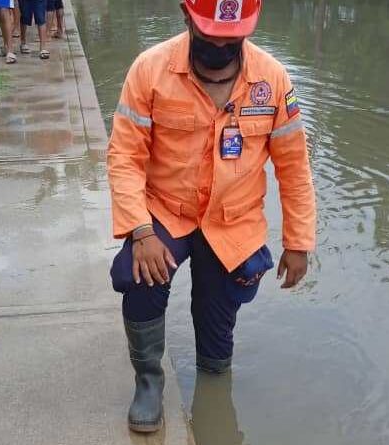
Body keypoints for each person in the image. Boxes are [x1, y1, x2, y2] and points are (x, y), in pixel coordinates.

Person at [108, 0, 316, 433]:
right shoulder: (149, 70)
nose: (221, 48)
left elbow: (294, 167)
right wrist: (140, 230)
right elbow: (125, 157)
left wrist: (298, 241)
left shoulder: (272, 80)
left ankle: (214, 379)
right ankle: (148, 380)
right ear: (186, 17)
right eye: (210, 39)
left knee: (218, 317)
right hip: (166, 209)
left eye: (231, 40)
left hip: (233, 219)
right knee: (139, 274)